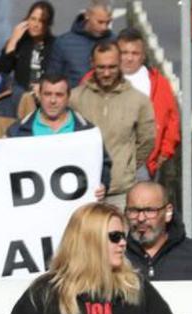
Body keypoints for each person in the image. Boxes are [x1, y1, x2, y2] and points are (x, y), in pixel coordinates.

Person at [5, 202, 181, 314]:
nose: (123, 243)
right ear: (89, 241)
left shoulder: (138, 289)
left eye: (123, 236)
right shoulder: (43, 294)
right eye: (114, 237)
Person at [70, 40, 155, 208]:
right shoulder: (75, 98)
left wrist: (127, 167)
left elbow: (147, 139)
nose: (107, 73)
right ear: (92, 64)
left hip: (121, 193)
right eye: (101, 67)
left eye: (112, 67)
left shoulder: (138, 100)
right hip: (83, 192)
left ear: (120, 64)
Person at [7, 74, 113, 192]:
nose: (53, 100)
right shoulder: (17, 131)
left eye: (59, 95)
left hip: (75, 203)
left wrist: (103, 184)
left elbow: (103, 163)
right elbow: (7, 168)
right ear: (39, 95)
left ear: (68, 97)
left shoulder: (87, 131)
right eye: (47, 94)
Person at [112, 28, 179, 182]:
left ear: (143, 56)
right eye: (124, 52)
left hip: (143, 162)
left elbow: (171, 119)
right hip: (109, 159)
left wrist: (164, 152)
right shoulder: (99, 77)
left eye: (134, 54)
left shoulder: (158, 82)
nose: (129, 58)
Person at [125, 181, 192, 280]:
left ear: (168, 212)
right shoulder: (116, 255)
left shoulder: (190, 255)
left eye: (149, 210)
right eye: (134, 211)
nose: (140, 218)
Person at [44, 0, 113, 88]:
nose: (104, 27)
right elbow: (52, 78)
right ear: (87, 15)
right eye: (100, 22)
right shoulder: (63, 43)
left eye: (108, 23)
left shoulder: (115, 41)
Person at [0, 1, 56, 93]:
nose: (36, 25)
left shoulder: (55, 45)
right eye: (33, 19)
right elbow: (1, 71)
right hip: (21, 99)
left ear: (48, 24)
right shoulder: (20, 43)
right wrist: (13, 40)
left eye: (41, 21)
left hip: (46, 98)